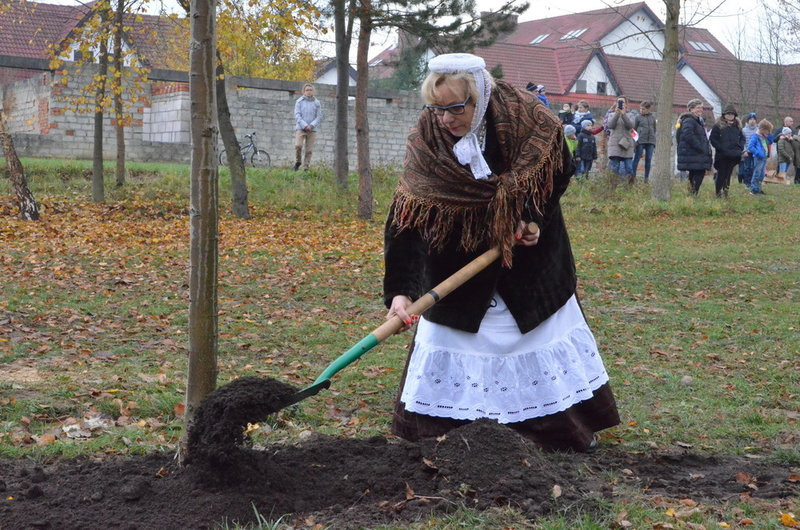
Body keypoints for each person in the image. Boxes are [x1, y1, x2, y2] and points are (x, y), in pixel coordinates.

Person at [384, 53, 619, 452]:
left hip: (530, 266)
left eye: (455, 108)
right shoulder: (428, 139)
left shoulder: (531, 121)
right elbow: (408, 215)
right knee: (461, 348)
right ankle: (454, 436)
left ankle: (551, 432)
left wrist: (532, 218)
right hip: (454, 262)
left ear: (480, 98)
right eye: (436, 108)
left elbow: (557, 172)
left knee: (529, 343)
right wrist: (401, 290)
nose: (445, 119)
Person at [676, 98, 712, 195]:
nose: (700, 110)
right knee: (699, 172)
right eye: (697, 107)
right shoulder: (689, 120)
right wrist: (700, 147)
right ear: (691, 109)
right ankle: (693, 193)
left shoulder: (697, 121)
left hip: (695, 153)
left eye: (701, 107)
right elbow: (688, 135)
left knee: (694, 173)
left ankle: (692, 194)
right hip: (693, 152)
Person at [708, 104, 745, 198]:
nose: (729, 116)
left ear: (734, 116)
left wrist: (740, 148)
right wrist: (721, 148)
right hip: (722, 155)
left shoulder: (737, 127)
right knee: (721, 174)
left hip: (733, 155)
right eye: (728, 114)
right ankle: (718, 193)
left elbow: (742, 138)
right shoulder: (718, 126)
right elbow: (713, 139)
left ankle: (725, 192)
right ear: (724, 115)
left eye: (731, 114)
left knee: (728, 174)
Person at [293, 83, 323, 171]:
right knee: (298, 145)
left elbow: (319, 116)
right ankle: (298, 162)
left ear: (313, 91)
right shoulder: (299, 102)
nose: (309, 92)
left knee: (309, 150)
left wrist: (311, 125)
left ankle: (306, 167)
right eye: (307, 90)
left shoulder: (317, 103)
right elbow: (297, 115)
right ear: (304, 91)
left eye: (310, 90)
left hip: (312, 130)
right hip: (301, 128)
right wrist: (305, 125)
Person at [606, 96, 635, 183]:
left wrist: (623, 114)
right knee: (614, 168)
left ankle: (629, 186)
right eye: (619, 102)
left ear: (626, 104)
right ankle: (613, 186)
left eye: (622, 102)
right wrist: (617, 114)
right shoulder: (611, 114)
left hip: (627, 145)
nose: (621, 104)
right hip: (615, 144)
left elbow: (630, 126)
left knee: (629, 168)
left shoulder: (631, 115)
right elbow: (610, 125)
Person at [632, 101, 656, 182]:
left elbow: (654, 129)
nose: (641, 110)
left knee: (648, 160)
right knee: (637, 158)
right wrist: (635, 141)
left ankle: (646, 179)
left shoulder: (652, 117)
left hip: (650, 141)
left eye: (643, 109)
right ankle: (632, 177)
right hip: (640, 141)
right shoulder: (637, 117)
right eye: (640, 109)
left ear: (648, 109)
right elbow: (633, 130)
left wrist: (653, 138)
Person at [747, 119, 773, 195]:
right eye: (767, 131)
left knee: (762, 175)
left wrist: (769, 135)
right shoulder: (755, 136)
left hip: (764, 158)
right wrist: (758, 153)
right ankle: (753, 189)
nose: (768, 132)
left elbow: (770, 142)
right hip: (758, 158)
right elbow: (750, 147)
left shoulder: (764, 136)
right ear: (762, 129)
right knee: (757, 173)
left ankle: (758, 189)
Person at [739, 113, 758, 185]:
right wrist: (744, 151)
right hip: (747, 152)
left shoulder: (758, 130)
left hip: (755, 152)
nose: (752, 121)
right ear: (748, 121)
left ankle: (753, 182)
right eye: (750, 119)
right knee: (747, 167)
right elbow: (742, 142)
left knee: (754, 167)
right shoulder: (744, 130)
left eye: (754, 119)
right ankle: (747, 182)